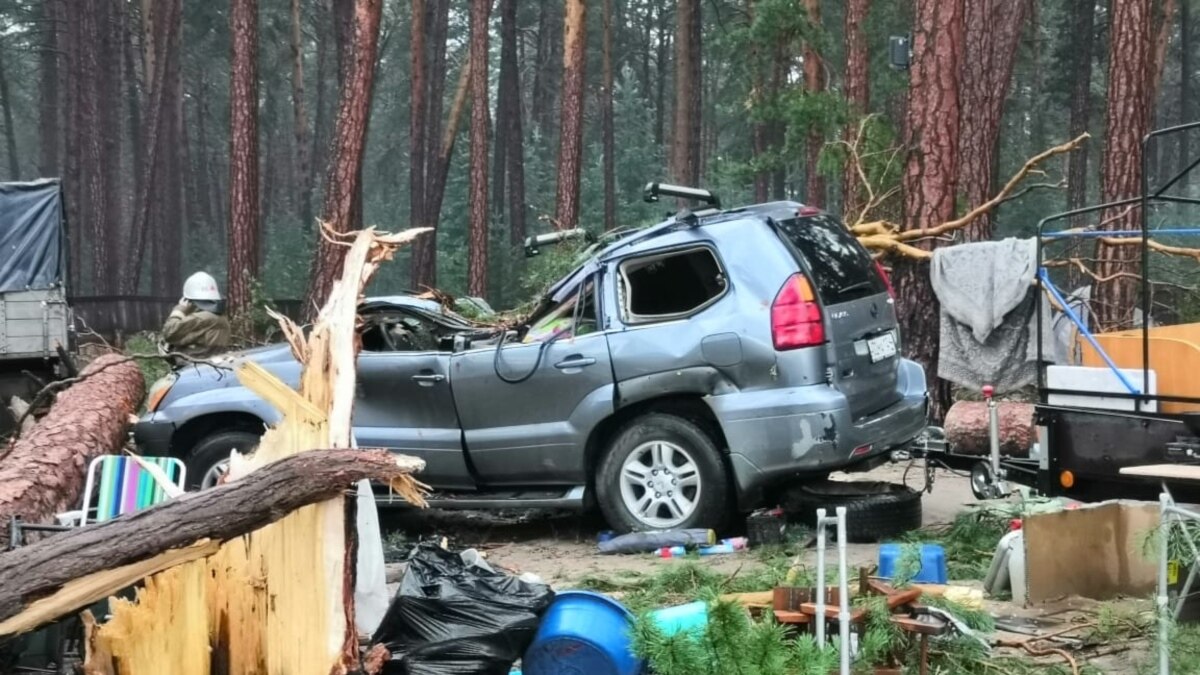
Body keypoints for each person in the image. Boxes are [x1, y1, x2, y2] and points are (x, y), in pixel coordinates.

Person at [161, 272, 232, 358]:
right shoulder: (221, 318)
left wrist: (179, 310)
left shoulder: (200, 319)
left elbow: (169, 333)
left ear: (189, 300)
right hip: (212, 365)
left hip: (193, 366)